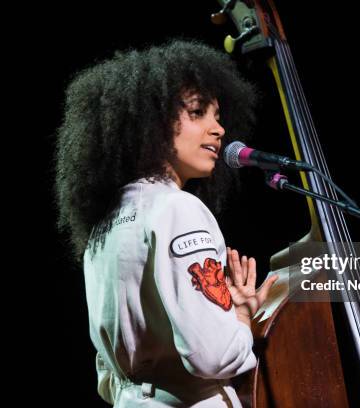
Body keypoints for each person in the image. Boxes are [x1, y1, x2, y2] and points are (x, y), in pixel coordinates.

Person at [54, 39, 278, 407]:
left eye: (217, 116)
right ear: (152, 123)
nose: (219, 129)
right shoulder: (177, 209)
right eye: (197, 113)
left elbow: (107, 370)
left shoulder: (103, 227)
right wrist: (240, 317)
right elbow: (213, 356)